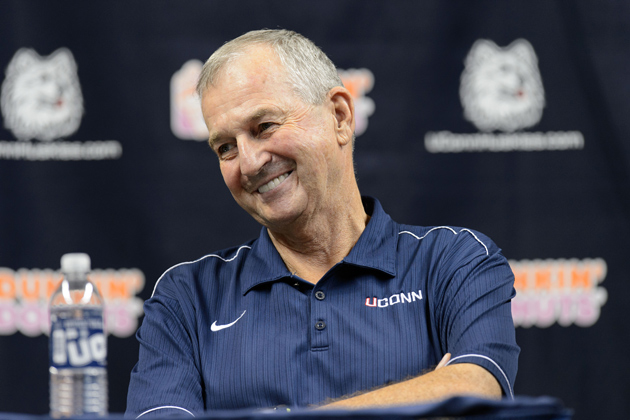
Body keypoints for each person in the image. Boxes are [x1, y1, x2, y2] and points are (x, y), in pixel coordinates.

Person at [126, 29, 519, 417]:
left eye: (264, 127)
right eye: (225, 147)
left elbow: (475, 391)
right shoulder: (186, 299)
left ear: (340, 116)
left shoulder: (456, 261)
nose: (248, 163)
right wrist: (422, 399)